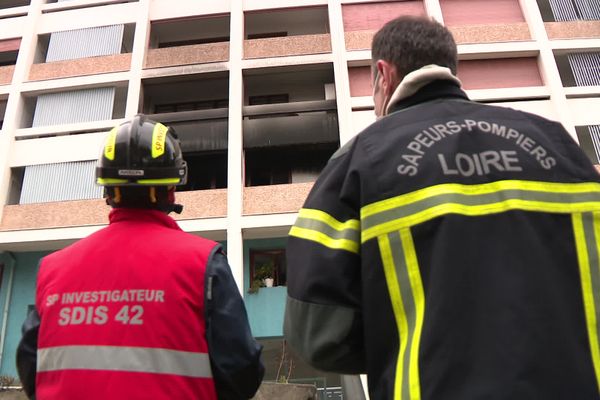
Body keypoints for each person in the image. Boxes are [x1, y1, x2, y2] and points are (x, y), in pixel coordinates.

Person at [284, 15, 600, 400]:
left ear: (384, 75)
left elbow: (316, 333)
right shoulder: (558, 145)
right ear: (451, 69)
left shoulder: (360, 160)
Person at [16, 114, 264, 400]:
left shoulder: (52, 269)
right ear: (171, 189)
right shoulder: (203, 264)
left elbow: (29, 366)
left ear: (108, 191)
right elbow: (241, 371)